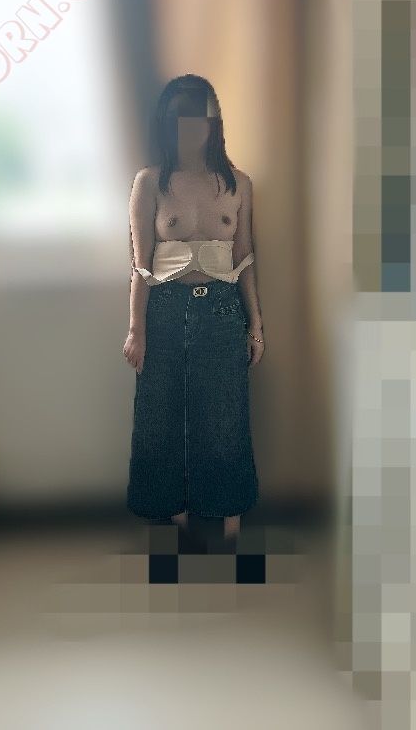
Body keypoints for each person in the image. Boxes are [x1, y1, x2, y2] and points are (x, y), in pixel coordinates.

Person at [123, 74, 265, 546]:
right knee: (162, 414)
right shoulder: (149, 182)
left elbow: (244, 257)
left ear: (213, 124)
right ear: (167, 125)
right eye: (179, 122)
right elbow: (140, 264)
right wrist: (136, 329)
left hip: (222, 310)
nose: (190, 131)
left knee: (225, 416)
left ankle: (229, 526)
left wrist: (256, 325)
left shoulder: (239, 184)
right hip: (164, 308)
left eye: (198, 121)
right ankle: (176, 522)